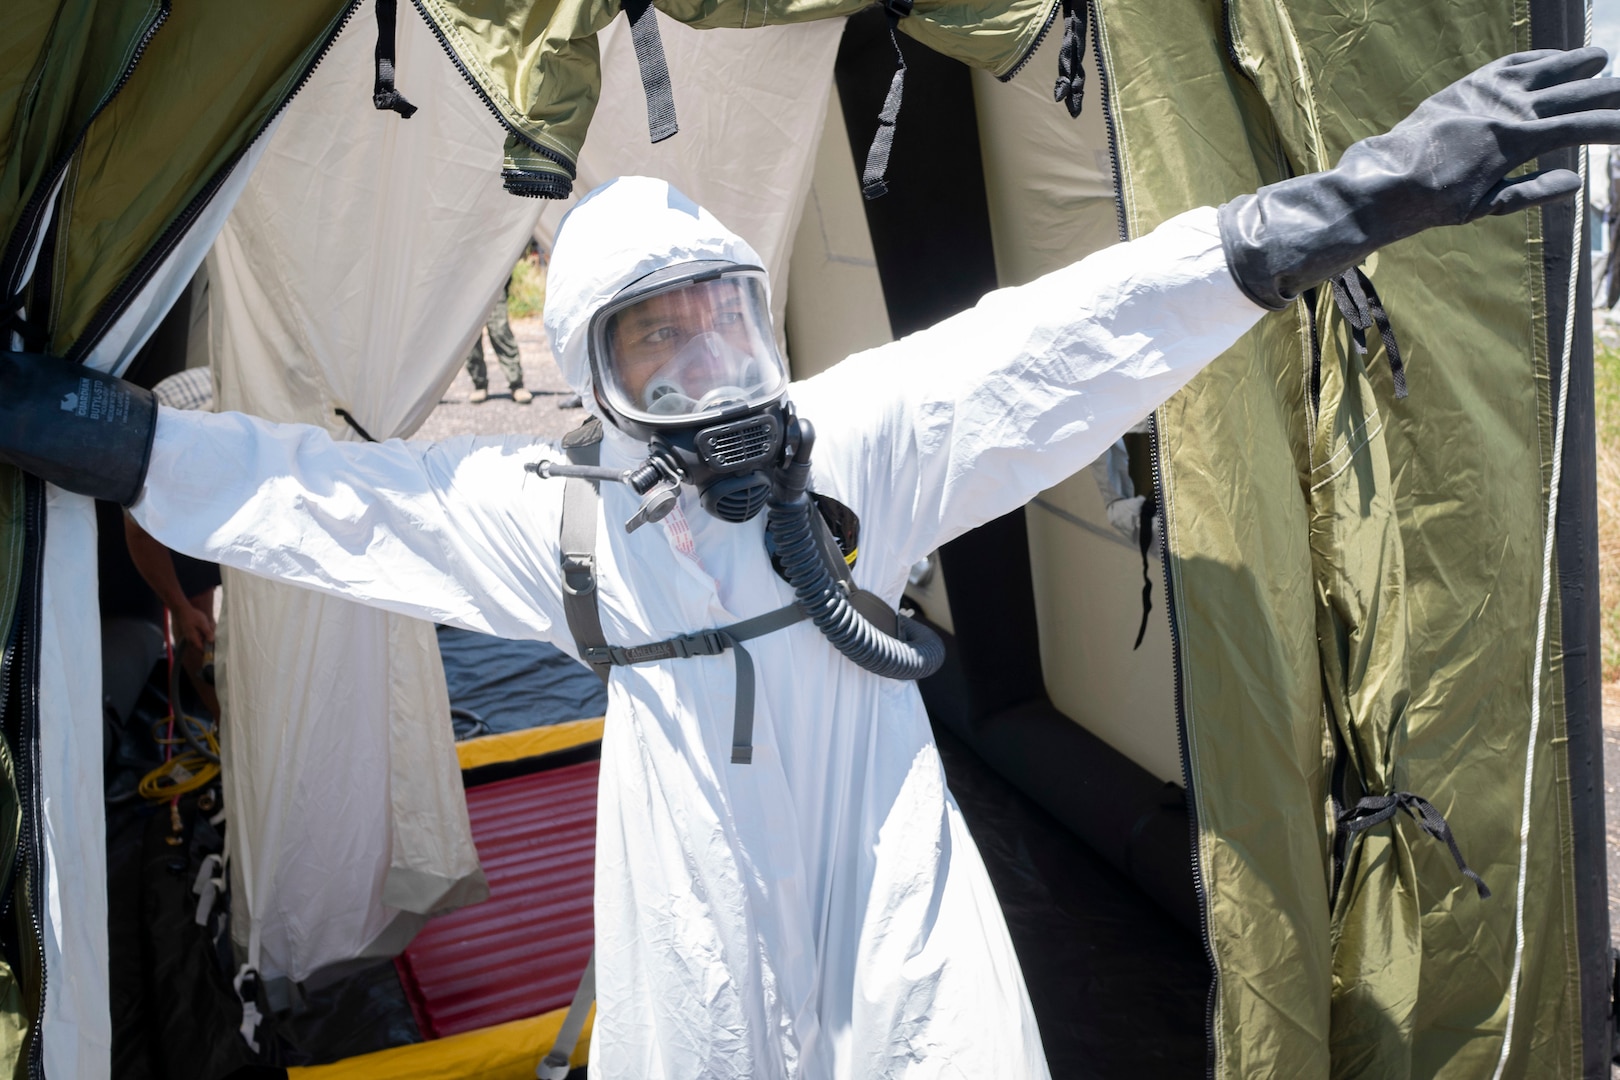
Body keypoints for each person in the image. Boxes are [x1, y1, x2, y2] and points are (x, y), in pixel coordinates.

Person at [5, 48, 1617, 1079]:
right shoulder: (557, 525)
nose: (711, 370)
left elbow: (1065, 337)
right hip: (692, 920)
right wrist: (93, 430)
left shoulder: (860, 448)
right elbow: (319, 497)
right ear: (602, 376)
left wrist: (1326, 212)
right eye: (659, 345)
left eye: (722, 321)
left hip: (890, 902)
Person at [465, 279, 533, 404]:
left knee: (500, 331)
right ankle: (479, 384)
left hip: (493, 280)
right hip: (465, 285)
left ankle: (516, 384)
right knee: (471, 338)